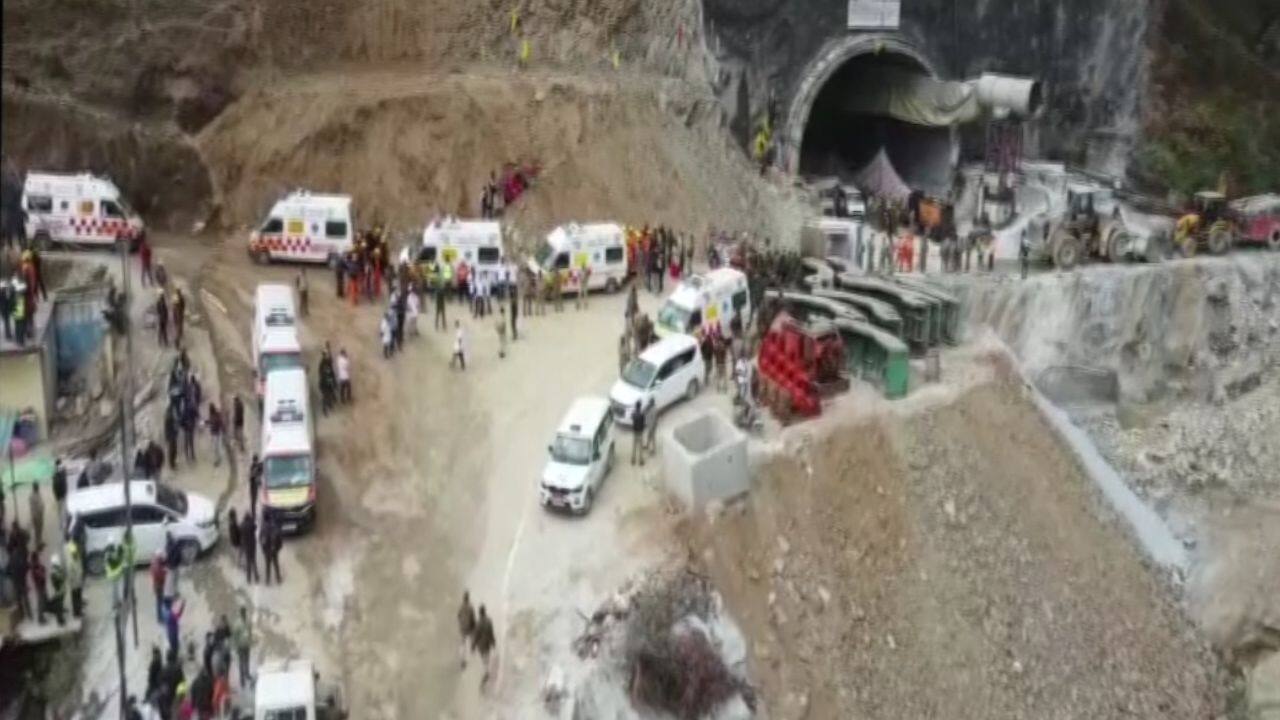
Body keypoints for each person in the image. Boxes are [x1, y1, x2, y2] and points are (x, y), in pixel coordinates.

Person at [472, 605, 497, 689]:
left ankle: (486, 672)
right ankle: (486, 671)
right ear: (485, 611)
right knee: (487, 656)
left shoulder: (478, 623)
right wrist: (493, 643)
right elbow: (491, 633)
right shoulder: (489, 621)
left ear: (480, 613)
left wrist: (473, 646)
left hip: (481, 645)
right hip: (488, 643)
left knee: (483, 658)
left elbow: (476, 636)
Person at [233, 605, 253, 688]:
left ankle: (247, 674)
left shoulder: (248, 622)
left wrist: (250, 641)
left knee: (247, 660)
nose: (243, 614)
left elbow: (250, 632)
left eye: (244, 612)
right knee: (241, 663)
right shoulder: (237, 623)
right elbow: (235, 636)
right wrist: (236, 647)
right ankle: (242, 680)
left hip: (246, 645)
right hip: (240, 646)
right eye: (242, 612)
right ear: (240, 613)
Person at [457, 591, 476, 669]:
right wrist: (474, 627)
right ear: (468, 598)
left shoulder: (461, 606)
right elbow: (473, 618)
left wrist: (461, 624)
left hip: (462, 628)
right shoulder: (470, 607)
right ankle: (472, 651)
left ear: (463, 598)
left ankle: (462, 660)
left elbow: (458, 616)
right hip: (469, 627)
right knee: (471, 639)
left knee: (462, 643)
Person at [66, 539, 84, 618]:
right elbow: (70, 576)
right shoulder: (71, 563)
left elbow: (80, 569)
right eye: (74, 553)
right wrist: (73, 584)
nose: (76, 554)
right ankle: (76, 612)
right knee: (75, 599)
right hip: (74, 584)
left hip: (79, 583)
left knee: (79, 598)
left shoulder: (78, 559)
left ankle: (79, 611)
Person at [47, 554, 66, 626]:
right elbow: (60, 579)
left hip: (60, 590)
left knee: (60, 606)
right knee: (59, 607)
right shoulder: (54, 572)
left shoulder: (57, 569)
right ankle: (60, 621)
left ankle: (60, 619)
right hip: (59, 591)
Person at [263, 519, 282, 585]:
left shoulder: (264, 531)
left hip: (267, 552)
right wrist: (277, 549)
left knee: (268, 566)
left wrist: (264, 551)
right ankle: (278, 578)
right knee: (276, 565)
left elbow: (262, 541)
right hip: (274, 551)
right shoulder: (276, 530)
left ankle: (267, 580)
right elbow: (280, 542)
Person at [241, 512, 259, 584]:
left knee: (248, 561)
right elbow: (255, 527)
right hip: (252, 545)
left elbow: (240, 530)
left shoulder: (242, 525)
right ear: (249, 518)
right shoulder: (251, 524)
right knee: (254, 560)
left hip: (246, 546)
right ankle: (256, 577)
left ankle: (248, 579)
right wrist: (252, 520)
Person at [150, 550, 167, 623]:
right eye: (162, 557)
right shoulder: (157, 565)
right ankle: (160, 618)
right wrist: (165, 572)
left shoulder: (154, 562)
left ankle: (160, 617)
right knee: (160, 602)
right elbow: (160, 575)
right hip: (159, 586)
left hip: (156, 585)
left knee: (159, 602)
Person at [207, 402, 225, 467]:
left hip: (217, 433)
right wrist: (205, 422)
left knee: (217, 447)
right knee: (216, 447)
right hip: (215, 433)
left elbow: (220, 423)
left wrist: (222, 429)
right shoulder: (213, 415)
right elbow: (210, 421)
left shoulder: (216, 415)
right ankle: (218, 458)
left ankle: (218, 459)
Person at [630, 400, 646, 467]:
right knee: (640, 447)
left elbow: (631, 418)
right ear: (640, 406)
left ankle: (633, 460)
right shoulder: (642, 414)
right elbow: (644, 423)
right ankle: (641, 461)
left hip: (635, 431)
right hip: (640, 432)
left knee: (634, 446)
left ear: (636, 406)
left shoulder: (633, 414)